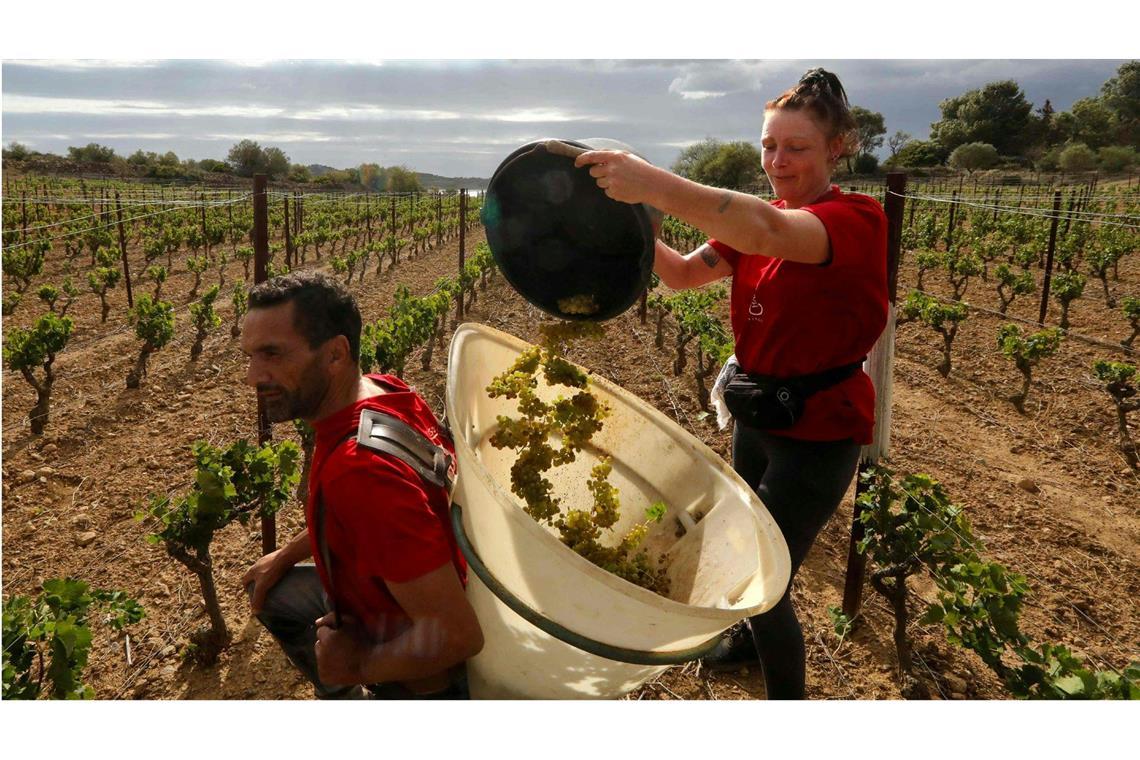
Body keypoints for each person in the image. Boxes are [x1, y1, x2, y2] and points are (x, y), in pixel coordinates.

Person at [575, 68, 888, 699]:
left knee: (759, 579)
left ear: (838, 147)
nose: (777, 162)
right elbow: (684, 274)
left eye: (795, 148)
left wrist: (654, 182)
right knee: (751, 555)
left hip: (817, 432)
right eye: (769, 146)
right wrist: (642, 221)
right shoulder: (763, 220)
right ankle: (747, 640)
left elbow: (768, 234)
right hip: (756, 415)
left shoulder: (853, 219)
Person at [239, 271, 483, 699]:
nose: (254, 377)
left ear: (335, 354)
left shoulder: (360, 473)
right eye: (251, 356)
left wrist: (356, 664)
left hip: (424, 678)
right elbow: (361, 513)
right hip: (414, 585)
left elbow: (457, 636)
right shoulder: (384, 391)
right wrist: (285, 555)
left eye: (273, 354)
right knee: (273, 591)